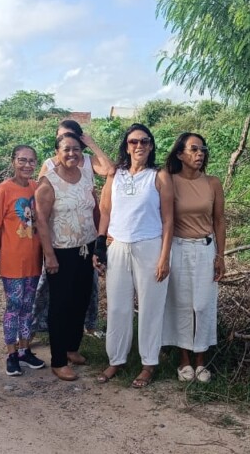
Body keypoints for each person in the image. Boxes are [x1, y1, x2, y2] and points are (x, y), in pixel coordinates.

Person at [95, 123, 174, 388]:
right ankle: (116, 359)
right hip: (118, 246)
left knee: (150, 308)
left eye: (144, 141)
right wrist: (100, 245)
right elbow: (105, 211)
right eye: (133, 142)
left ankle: (148, 363)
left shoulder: (159, 176)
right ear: (126, 146)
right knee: (117, 306)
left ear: (151, 146)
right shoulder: (115, 175)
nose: (138, 146)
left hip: (149, 246)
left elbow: (168, 219)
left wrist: (164, 257)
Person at [32, 120, 113, 341]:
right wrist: (48, 253)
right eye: (62, 141)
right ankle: (43, 335)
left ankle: (74, 342)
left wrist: (93, 144)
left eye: (73, 141)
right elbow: (42, 213)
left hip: (86, 240)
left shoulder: (87, 163)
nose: (69, 148)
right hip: (60, 244)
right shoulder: (50, 167)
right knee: (57, 295)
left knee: (82, 294)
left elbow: (110, 170)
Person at [161, 133, 225, 383]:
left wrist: (221, 255)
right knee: (181, 304)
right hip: (178, 248)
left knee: (203, 305)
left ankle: (202, 361)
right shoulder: (169, 181)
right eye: (194, 149)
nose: (200, 154)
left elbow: (219, 220)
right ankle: (184, 360)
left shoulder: (212, 183)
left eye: (203, 150)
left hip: (205, 248)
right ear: (180, 154)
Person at [35, 132, 99, 381]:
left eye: (76, 148)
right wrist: (49, 255)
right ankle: (58, 359)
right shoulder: (48, 182)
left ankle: (73, 348)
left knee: (80, 300)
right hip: (61, 251)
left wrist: (99, 243)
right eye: (66, 149)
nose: (71, 153)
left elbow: (94, 207)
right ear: (57, 153)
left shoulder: (86, 176)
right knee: (60, 305)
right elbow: (40, 220)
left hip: (86, 248)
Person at [0, 145, 46, 376]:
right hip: (11, 260)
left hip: (33, 259)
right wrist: (2, 250)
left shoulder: (36, 187)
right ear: (13, 162)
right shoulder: (3, 190)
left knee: (28, 307)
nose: (27, 165)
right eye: (22, 160)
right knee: (14, 305)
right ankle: (11, 353)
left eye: (31, 161)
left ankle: (24, 349)